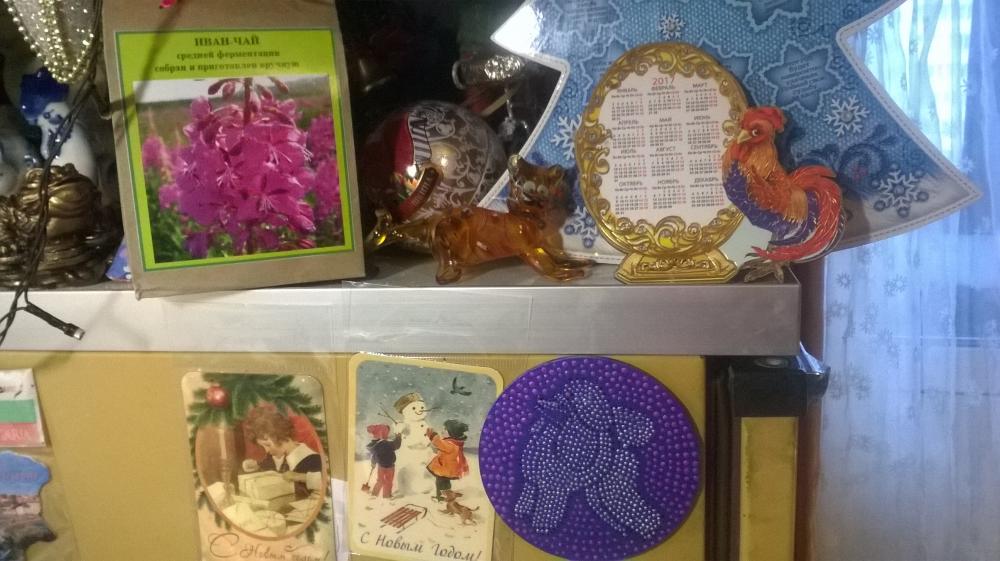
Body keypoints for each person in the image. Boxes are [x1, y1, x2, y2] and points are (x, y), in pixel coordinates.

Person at [244, 405, 323, 500]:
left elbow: (324, 483)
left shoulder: (312, 459)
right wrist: (256, 464)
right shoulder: (273, 457)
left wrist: (301, 477)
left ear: (280, 437)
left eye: (268, 445)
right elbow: (268, 467)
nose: (266, 450)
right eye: (263, 446)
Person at [425, 419, 469, 501]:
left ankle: (441, 497)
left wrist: (432, 435)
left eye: (445, 429)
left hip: (445, 468)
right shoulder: (455, 443)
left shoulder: (450, 444)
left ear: (452, 432)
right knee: (445, 481)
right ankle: (449, 493)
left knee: (440, 482)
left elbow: (439, 443)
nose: (442, 431)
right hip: (448, 468)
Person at [365, 424, 402, 499]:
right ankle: (386, 495)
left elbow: (374, 456)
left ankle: (374, 494)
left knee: (380, 481)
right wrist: (398, 437)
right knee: (388, 481)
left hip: (381, 467)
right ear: (383, 433)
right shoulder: (387, 444)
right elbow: (396, 445)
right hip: (390, 467)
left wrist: (373, 463)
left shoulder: (376, 445)